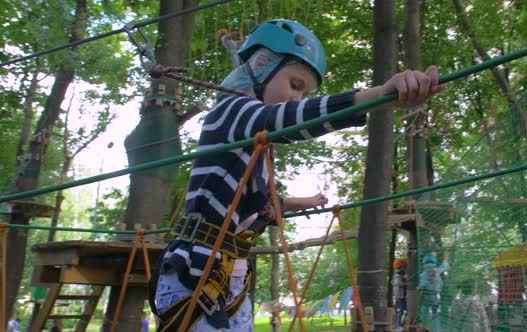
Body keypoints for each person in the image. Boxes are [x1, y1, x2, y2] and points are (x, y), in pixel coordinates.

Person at [149, 18, 445, 331]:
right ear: (261, 67)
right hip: (196, 272)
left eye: (304, 92)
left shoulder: (255, 145)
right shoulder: (230, 112)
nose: (297, 98)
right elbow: (284, 118)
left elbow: (264, 205)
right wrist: (379, 95)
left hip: (227, 277)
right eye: (295, 84)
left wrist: (306, 201)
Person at [417, 253, 448, 332]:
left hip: (426, 296)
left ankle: (424, 328)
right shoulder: (437, 271)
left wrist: (418, 287)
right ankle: (436, 330)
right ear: (434, 262)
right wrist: (445, 259)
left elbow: (421, 285)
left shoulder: (423, 275)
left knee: (423, 313)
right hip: (435, 297)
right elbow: (444, 266)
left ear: (424, 263)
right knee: (435, 314)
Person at [392, 259, 408, 330]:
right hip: (400, 296)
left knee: (405, 310)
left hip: (401, 296)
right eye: (404, 267)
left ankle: (400, 325)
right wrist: (406, 283)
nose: (405, 269)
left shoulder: (400, 275)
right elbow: (398, 283)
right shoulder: (397, 276)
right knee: (402, 310)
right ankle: (398, 325)